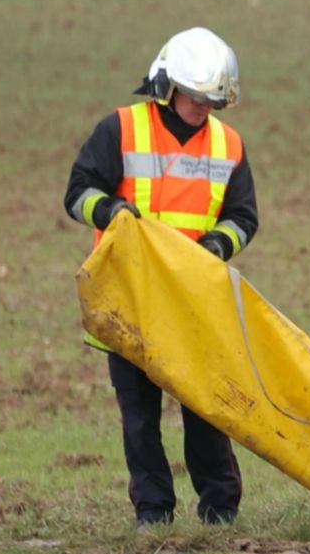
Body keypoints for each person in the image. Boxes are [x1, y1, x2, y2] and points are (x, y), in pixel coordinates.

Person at [62, 28, 258, 526]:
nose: (203, 109)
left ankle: (219, 510)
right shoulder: (120, 130)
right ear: (168, 87)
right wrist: (108, 210)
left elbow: (243, 217)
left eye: (213, 102)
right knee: (140, 417)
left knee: (206, 412)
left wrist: (219, 244)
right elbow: (77, 193)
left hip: (193, 303)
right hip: (131, 301)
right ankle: (153, 514)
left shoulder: (229, 145)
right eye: (196, 98)